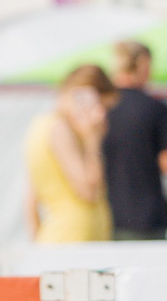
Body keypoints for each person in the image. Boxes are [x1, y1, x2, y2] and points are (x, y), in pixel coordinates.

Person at [101, 40, 167, 239]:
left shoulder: (100, 109)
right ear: (142, 64)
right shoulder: (155, 108)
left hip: (103, 215)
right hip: (147, 215)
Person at [27, 65, 115, 243]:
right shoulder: (60, 129)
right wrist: (93, 139)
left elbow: (30, 201)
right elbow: (88, 191)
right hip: (74, 238)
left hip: (59, 238)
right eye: (103, 106)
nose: (103, 115)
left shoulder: (41, 125)